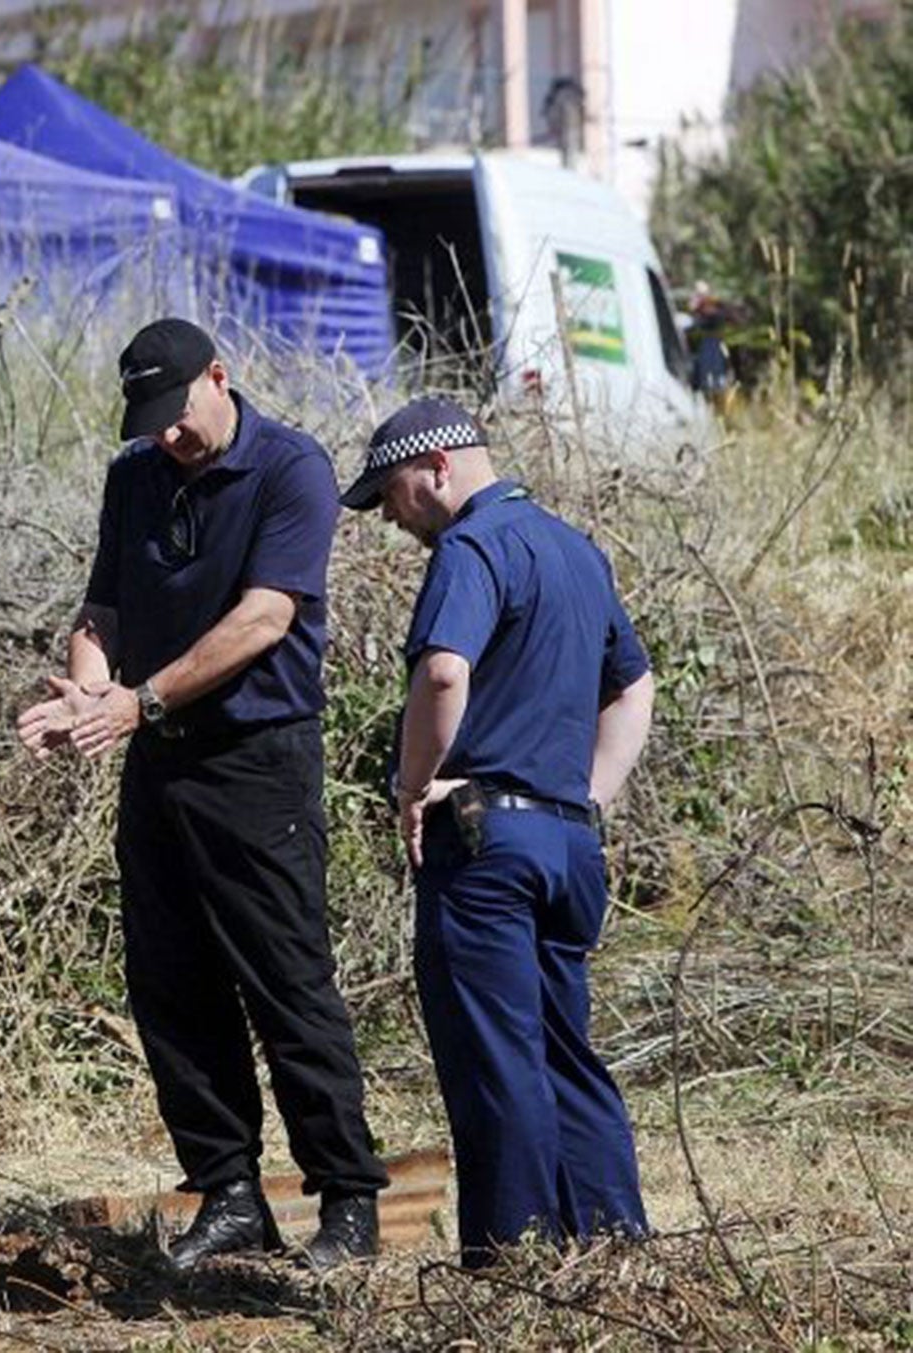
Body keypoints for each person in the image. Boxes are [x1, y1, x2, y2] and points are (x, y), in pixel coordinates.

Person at [16, 318, 388, 1274]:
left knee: (285, 977)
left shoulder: (290, 469)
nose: (168, 439)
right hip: (159, 759)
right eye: (151, 426)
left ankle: (347, 1199)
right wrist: (90, 689)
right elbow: (100, 609)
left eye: (178, 417)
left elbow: (266, 617)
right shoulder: (132, 474)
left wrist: (133, 702)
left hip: (258, 759)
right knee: (171, 985)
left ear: (220, 379)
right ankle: (227, 1190)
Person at [339, 397, 655, 1268]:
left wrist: (410, 787)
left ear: (437, 467)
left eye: (392, 493)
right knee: (566, 1051)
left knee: (496, 1059)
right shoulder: (576, 550)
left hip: (485, 847)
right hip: (566, 845)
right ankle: (615, 1250)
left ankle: (513, 1268)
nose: (391, 517)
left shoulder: (471, 548)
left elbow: (444, 671)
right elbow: (633, 687)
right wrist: (585, 797)